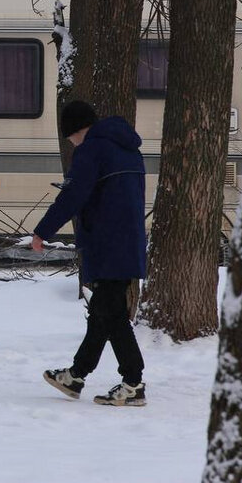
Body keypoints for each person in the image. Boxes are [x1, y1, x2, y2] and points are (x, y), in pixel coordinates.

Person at [32, 100, 148, 406]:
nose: (71, 144)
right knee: (103, 312)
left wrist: (43, 231)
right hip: (128, 240)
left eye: (70, 138)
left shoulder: (92, 150)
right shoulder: (129, 149)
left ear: (76, 129)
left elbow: (74, 195)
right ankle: (76, 375)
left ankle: (133, 382)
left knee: (113, 316)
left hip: (107, 242)